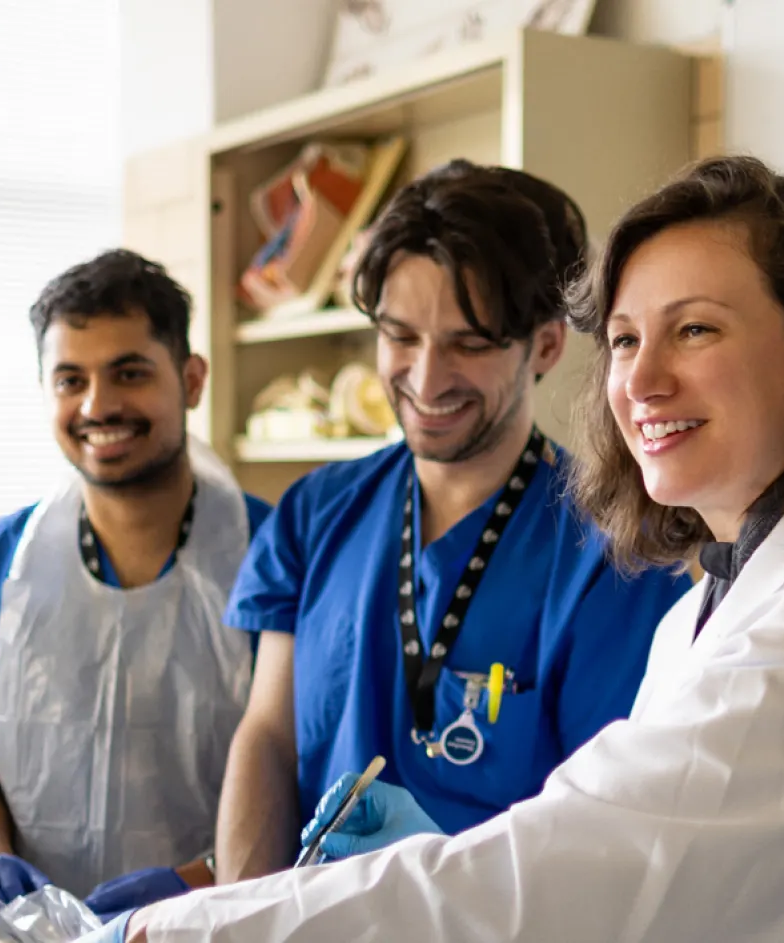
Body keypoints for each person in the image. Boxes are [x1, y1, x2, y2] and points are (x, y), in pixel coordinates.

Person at [92, 156, 784, 941]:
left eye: (696, 329)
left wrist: (196, 928)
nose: (642, 380)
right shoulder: (712, 605)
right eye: (629, 340)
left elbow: (571, 873)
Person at [209, 161, 693, 881]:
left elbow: (607, 832)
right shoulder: (314, 515)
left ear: (548, 346)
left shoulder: (611, 553)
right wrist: (235, 917)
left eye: (469, 344)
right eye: (401, 336)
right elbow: (270, 738)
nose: (427, 379)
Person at [0, 250, 274, 911]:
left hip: (219, 919)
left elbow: (313, 775)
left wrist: (201, 879)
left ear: (191, 380)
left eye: (128, 373)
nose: (98, 405)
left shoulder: (276, 559)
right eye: (70, 380)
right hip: (37, 925)